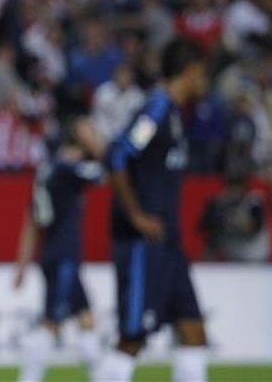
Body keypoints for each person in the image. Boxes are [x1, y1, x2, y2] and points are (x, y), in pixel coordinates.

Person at [96, 38, 210, 382]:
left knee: (193, 333)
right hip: (144, 244)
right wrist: (135, 214)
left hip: (169, 246)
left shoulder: (174, 114)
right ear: (190, 73)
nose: (204, 83)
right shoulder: (156, 110)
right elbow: (116, 154)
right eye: (202, 74)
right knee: (132, 338)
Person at [13, 117, 104, 382]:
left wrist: (22, 265)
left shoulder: (47, 170)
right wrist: (93, 141)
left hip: (55, 254)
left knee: (86, 319)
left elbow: (31, 220)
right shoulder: (67, 168)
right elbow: (106, 170)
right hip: (63, 255)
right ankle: (28, 378)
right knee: (52, 323)